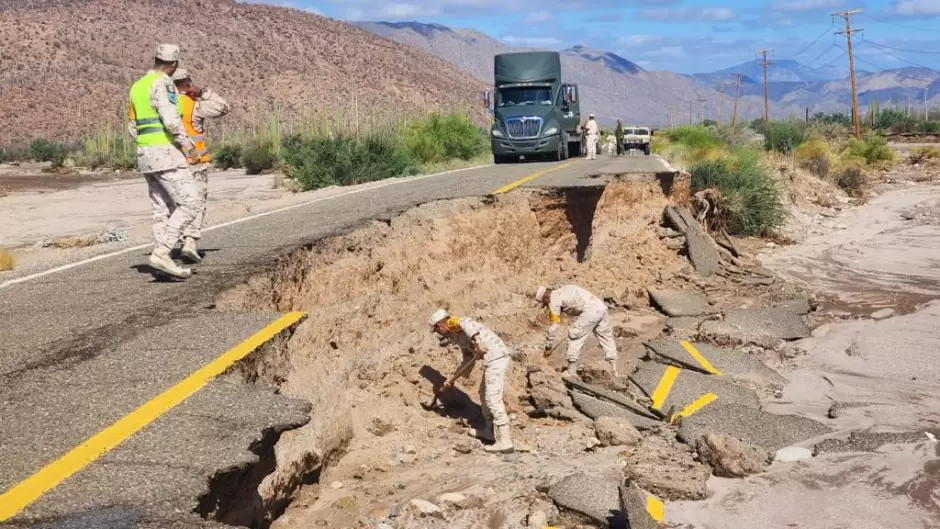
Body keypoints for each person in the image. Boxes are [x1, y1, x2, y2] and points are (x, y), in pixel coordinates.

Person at [127, 44, 199, 279]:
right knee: (190, 204)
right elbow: (170, 120)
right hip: (166, 152)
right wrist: (188, 146)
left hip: (145, 154)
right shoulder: (164, 83)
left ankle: (162, 263)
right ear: (174, 65)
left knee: (161, 209)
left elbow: (132, 127)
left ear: (155, 59)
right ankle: (162, 252)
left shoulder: (137, 86)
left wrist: (147, 144)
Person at [429, 309, 514, 453]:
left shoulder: (452, 323)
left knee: (493, 399)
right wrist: (453, 377)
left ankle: (506, 441)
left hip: (496, 355)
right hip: (491, 359)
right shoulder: (455, 336)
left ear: (439, 325)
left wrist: (478, 341)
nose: (438, 333)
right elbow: (468, 357)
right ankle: (488, 431)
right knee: (483, 393)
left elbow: (466, 322)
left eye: (436, 330)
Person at [171, 69, 231, 263]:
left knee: (177, 203)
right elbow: (223, 107)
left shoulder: (163, 106)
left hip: (171, 163)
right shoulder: (195, 106)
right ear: (187, 83)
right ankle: (189, 241)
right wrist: (202, 92)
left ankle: (171, 244)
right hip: (195, 163)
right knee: (196, 202)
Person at [535, 284, 619, 378]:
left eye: (544, 302)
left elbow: (554, 327)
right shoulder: (565, 289)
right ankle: (613, 368)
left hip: (590, 310)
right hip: (600, 306)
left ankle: (571, 371)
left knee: (574, 334)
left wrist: (548, 348)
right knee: (606, 336)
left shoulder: (553, 301)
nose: (546, 305)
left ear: (546, 297)